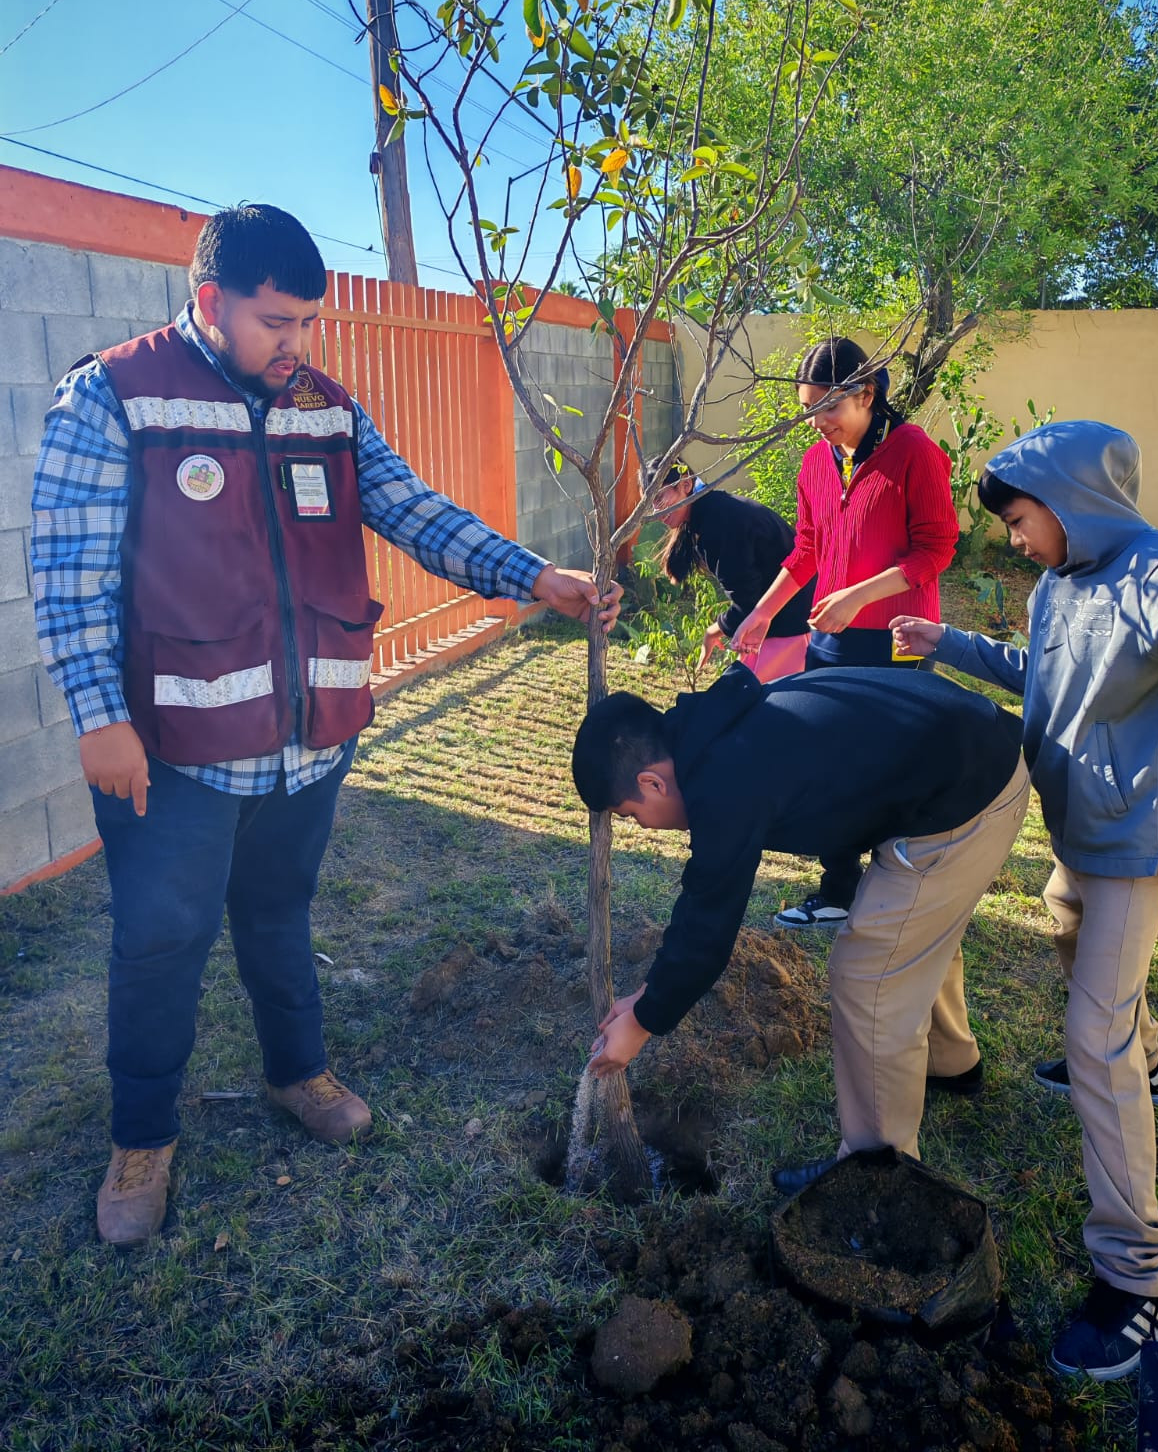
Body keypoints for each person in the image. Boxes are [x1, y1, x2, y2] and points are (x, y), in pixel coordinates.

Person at [31, 204, 620, 1248]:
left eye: (308, 321)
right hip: (174, 752)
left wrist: (533, 575)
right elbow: (69, 570)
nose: (296, 343)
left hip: (308, 744)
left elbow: (411, 509)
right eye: (275, 321)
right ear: (210, 302)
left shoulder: (325, 408)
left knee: (279, 915)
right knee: (161, 940)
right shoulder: (116, 395)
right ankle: (142, 1140)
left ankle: (296, 1072)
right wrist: (99, 716)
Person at [891, 419, 1158, 1380]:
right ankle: (1149, 1059)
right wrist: (947, 641)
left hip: (1130, 842)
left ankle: (1145, 1281)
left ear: (1072, 504)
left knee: (1092, 1040)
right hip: (1074, 830)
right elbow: (1039, 677)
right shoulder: (1055, 586)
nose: (1016, 539)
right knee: (1064, 925)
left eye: (1023, 520)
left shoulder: (1154, 569)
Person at [572, 663, 1029, 1173]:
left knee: (869, 976)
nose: (644, 827)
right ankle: (950, 1063)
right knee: (910, 931)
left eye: (632, 815)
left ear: (652, 783)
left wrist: (644, 1021)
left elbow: (708, 919)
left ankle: (876, 1172)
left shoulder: (724, 780)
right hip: (966, 756)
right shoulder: (710, 734)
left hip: (969, 792)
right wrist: (646, 997)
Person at [731, 337, 959, 928]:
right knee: (831, 758)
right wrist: (761, 613)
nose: (818, 422)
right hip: (828, 639)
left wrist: (859, 596)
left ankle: (899, 892)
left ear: (867, 394)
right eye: (809, 409)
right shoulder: (816, 462)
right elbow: (807, 549)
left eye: (828, 407)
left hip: (898, 639)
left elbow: (936, 550)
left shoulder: (915, 452)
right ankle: (838, 890)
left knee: (891, 764)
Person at [639, 457, 815, 681]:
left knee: (755, 700)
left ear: (685, 484)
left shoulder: (718, 523)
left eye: (659, 498)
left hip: (789, 626)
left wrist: (714, 630)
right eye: (649, 503)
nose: (655, 510)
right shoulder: (715, 511)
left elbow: (746, 604)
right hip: (782, 622)